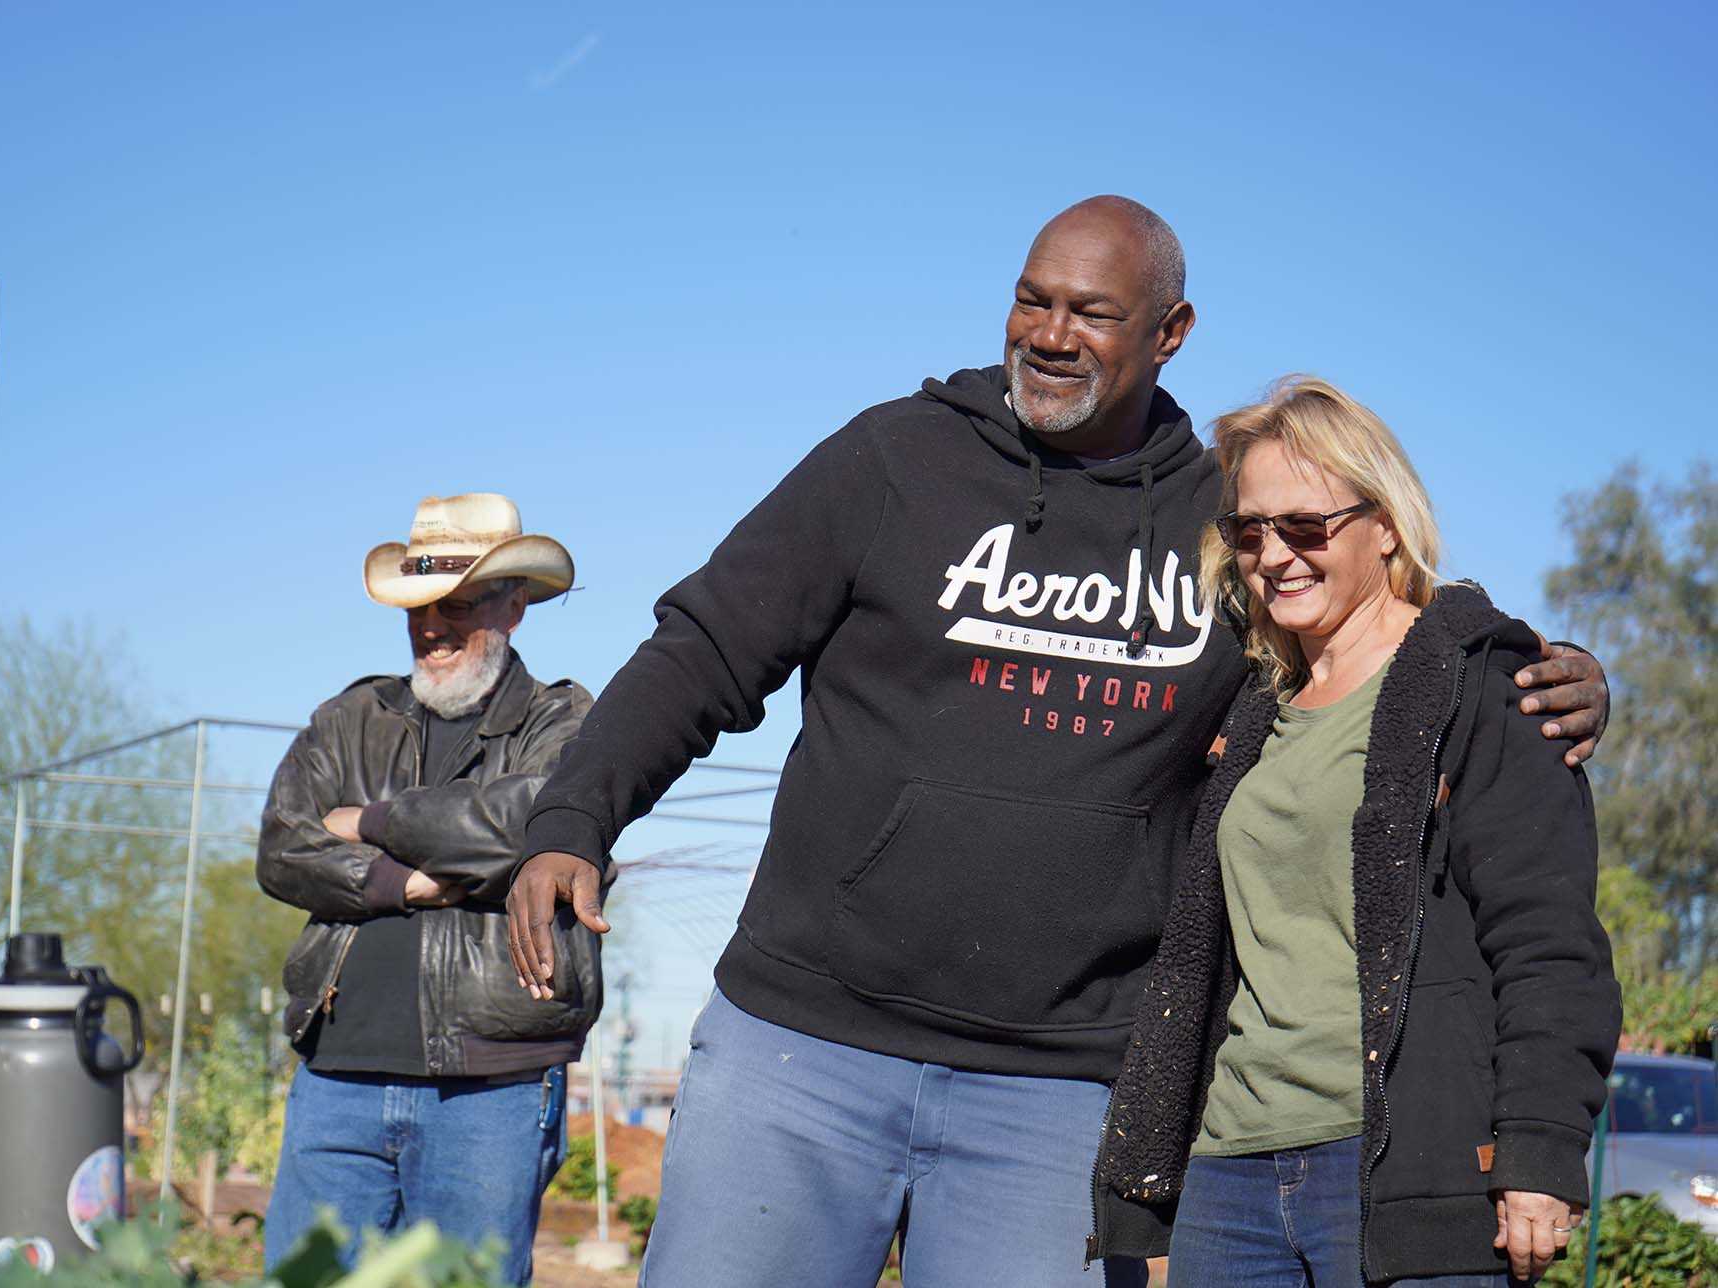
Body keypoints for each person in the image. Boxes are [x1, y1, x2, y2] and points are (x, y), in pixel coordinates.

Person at [505, 198, 1610, 1287]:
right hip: (804, 1048)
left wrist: (1530, 670)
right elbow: (703, 648)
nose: (1049, 334)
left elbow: (1373, 632)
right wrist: (574, 817)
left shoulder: (1222, 519)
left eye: (1092, 312)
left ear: (1170, 334)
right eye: (1032, 302)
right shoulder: (893, 460)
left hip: (1060, 1094)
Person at [1092, 378, 1620, 1286]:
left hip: (1402, 1167)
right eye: (1251, 531)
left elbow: (1548, 939)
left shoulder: (1484, 691)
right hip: (1231, 1168)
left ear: (1384, 523)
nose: (1274, 555)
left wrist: (1539, 1148)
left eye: (1305, 526)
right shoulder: (1253, 707)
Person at [256, 493, 598, 1283]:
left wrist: (366, 818)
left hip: (492, 1089)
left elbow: (525, 827)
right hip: (335, 1077)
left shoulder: (565, 721)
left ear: (516, 606)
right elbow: (281, 847)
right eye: (418, 607)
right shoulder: (349, 718)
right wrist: (405, 882)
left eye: (458, 603)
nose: (431, 626)